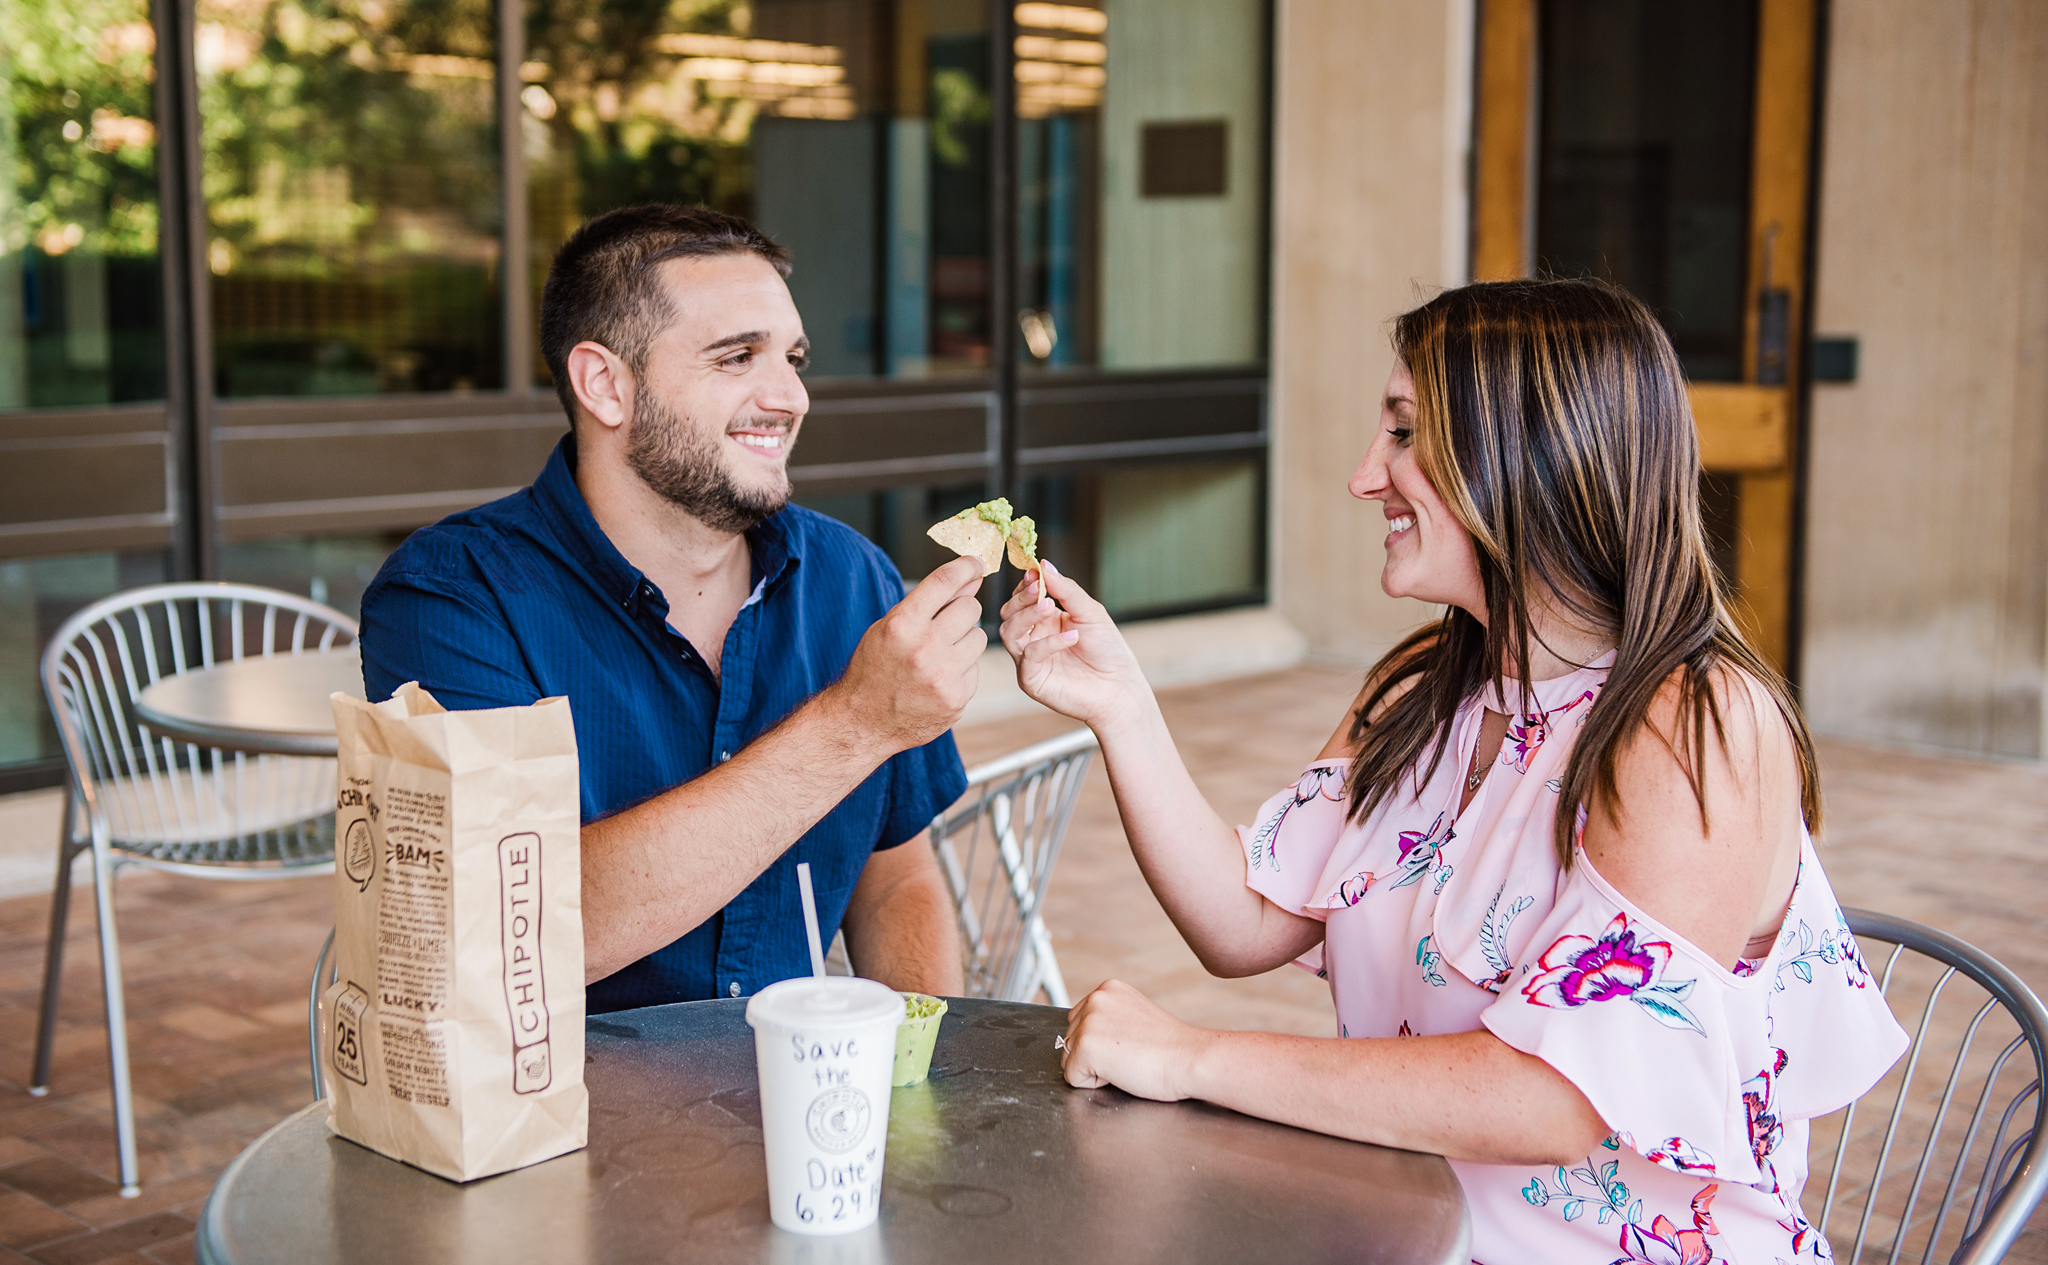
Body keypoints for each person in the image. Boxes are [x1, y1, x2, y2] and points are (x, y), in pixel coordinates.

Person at [998, 279, 1907, 1263]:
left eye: (1401, 431)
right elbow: (1245, 918)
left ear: (1527, 450)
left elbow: (1554, 1094)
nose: (1361, 474)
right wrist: (1119, 705)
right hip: (1404, 1234)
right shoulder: (1420, 693)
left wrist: (1191, 1057)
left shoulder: (1691, 724)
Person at [360, 204, 986, 1012]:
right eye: (737, 358)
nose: (790, 396)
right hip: (566, 1123)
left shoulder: (851, 577)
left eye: (792, 358)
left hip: (797, 1104)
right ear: (606, 385)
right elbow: (515, 930)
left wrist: (908, 1076)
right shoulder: (450, 598)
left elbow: (895, 873)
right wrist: (856, 723)